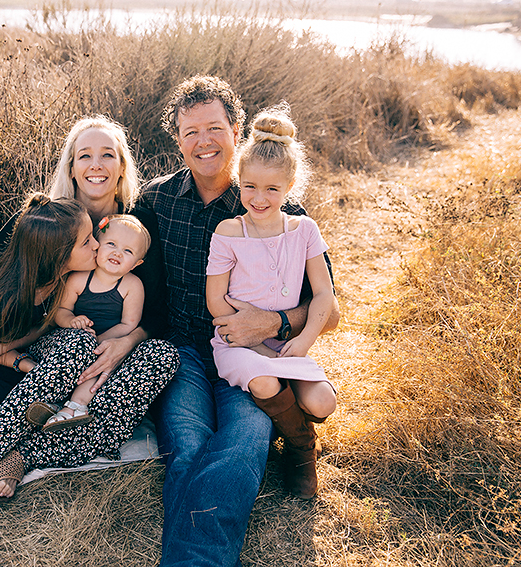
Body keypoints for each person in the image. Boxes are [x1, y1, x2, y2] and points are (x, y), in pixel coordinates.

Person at [0, 116, 179, 540]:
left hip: (114, 344)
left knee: (165, 357)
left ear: (122, 167)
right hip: (47, 342)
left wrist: (126, 343)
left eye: (108, 154)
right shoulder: (47, 218)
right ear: (71, 168)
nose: (96, 164)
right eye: (84, 155)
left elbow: (159, 310)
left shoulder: (137, 226)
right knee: (73, 343)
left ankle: (26, 452)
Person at [141, 76, 340, 566]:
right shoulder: (155, 201)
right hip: (183, 352)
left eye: (214, 127)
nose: (203, 140)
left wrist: (271, 323)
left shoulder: (276, 207)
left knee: (244, 443)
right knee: (187, 445)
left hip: (253, 356)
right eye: (191, 132)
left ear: (236, 130)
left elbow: (329, 310)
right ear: (178, 140)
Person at [206, 102, 337, 500]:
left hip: (289, 343)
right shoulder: (230, 231)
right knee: (264, 381)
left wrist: (305, 339)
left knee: (324, 402)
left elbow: (325, 296)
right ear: (239, 180)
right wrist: (254, 339)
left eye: (272, 189)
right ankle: (301, 450)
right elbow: (216, 303)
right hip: (237, 342)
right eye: (249, 187)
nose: (258, 198)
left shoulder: (305, 230)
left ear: (290, 186)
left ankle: (299, 424)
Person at [42, 214, 151, 431]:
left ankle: (76, 407)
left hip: (109, 342)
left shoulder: (132, 285)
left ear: (137, 263)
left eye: (128, 251)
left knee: (99, 364)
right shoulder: (79, 278)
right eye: (111, 244)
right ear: (96, 245)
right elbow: (60, 311)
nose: (117, 252)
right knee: (73, 353)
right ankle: (55, 403)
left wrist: (99, 342)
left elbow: (128, 325)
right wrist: (72, 321)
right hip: (75, 339)